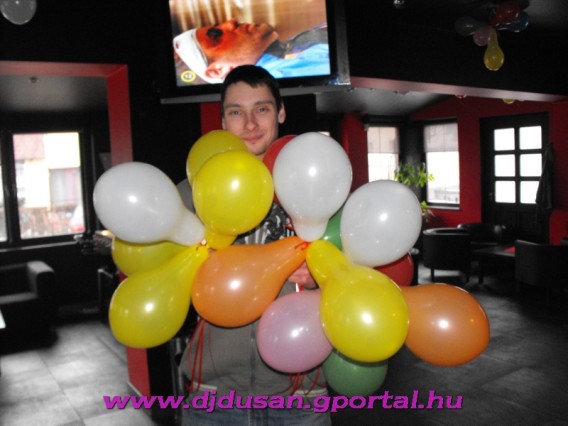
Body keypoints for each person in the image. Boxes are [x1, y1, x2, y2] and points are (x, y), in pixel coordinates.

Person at [178, 65, 331, 425]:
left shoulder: (320, 181)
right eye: (236, 112)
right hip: (213, 397)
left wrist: (322, 278)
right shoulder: (192, 195)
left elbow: (359, 276)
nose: (249, 124)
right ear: (223, 121)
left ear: (281, 112)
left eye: (261, 109)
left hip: (300, 398)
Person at [173, 19, 329, 84]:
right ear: (217, 71)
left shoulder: (288, 52)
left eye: (218, 25)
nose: (231, 22)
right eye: (216, 36)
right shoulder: (284, 75)